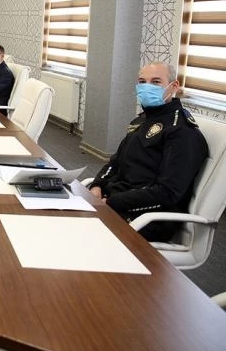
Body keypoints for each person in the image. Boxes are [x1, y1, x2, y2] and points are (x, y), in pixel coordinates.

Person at [88, 62, 208, 242]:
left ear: (174, 86)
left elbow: (167, 193)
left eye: (156, 82)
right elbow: (116, 162)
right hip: (115, 200)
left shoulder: (181, 132)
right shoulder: (141, 121)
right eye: (142, 82)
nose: (147, 87)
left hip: (147, 216)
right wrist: (97, 185)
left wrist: (111, 202)